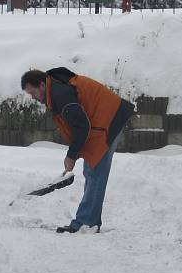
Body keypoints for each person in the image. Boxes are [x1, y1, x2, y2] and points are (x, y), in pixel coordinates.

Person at [21, 67, 134, 234]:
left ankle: (86, 223)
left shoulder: (60, 95)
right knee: (92, 170)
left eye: (33, 93)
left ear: (42, 85)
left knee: (96, 171)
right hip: (101, 118)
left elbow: (81, 126)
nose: (33, 98)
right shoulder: (55, 89)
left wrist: (71, 155)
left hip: (109, 118)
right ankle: (89, 220)